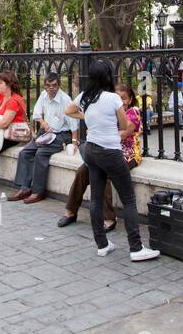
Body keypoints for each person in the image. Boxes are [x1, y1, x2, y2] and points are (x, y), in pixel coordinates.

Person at [64, 62, 159, 262]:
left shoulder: (85, 96)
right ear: (108, 77)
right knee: (129, 199)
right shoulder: (113, 98)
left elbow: (68, 111)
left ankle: (102, 244)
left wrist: (87, 116)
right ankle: (136, 247)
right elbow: (124, 125)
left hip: (90, 151)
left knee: (96, 199)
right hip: (110, 152)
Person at [58, 83, 143, 232]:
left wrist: (100, 130)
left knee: (105, 173)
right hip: (106, 151)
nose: (121, 101)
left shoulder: (133, 112)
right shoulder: (108, 112)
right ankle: (70, 211)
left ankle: (109, 218)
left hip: (128, 153)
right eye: (117, 98)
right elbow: (72, 111)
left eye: (124, 98)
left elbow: (123, 133)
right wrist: (90, 117)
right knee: (83, 171)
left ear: (130, 100)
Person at [8, 74, 73, 203]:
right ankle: (25, 188)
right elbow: (36, 114)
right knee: (25, 153)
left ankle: (38, 191)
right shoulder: (43, 95)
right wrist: (43, 123)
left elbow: (74, 124)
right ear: (45, 86)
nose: (51, 88)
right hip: (45, 132)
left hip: (61, 134)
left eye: (54, 85)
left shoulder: (65, 99)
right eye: (48, 85)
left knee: (41, 153)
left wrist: (75, 141)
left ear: (59, 85)